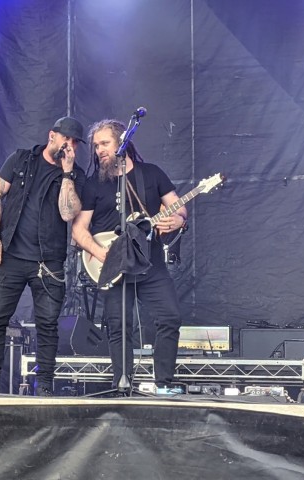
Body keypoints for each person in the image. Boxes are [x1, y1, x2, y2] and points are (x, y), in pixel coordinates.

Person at [71, 119, 187, 393]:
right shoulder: (92, 185)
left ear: (123, 143)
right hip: (113, 265)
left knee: (169, 317)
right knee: (118, 326)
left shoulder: (152, 174)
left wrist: (178, 220)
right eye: (96, 145)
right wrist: (102, 254)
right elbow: (78, 230)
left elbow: (179, 208)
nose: (99, 150)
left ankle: (164, 384)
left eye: (105, 143)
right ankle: (121, 384)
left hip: (150, 262)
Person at [0, 117, 86, 396]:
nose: (70, 145)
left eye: (75, 142)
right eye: (67, 139)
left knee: (48, 325)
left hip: (49, 261)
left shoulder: (76, 174)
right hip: (12, 254)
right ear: (52, 135)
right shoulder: (21, 160)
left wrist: (66, 173)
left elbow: (68, 213)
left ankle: (45, 385)